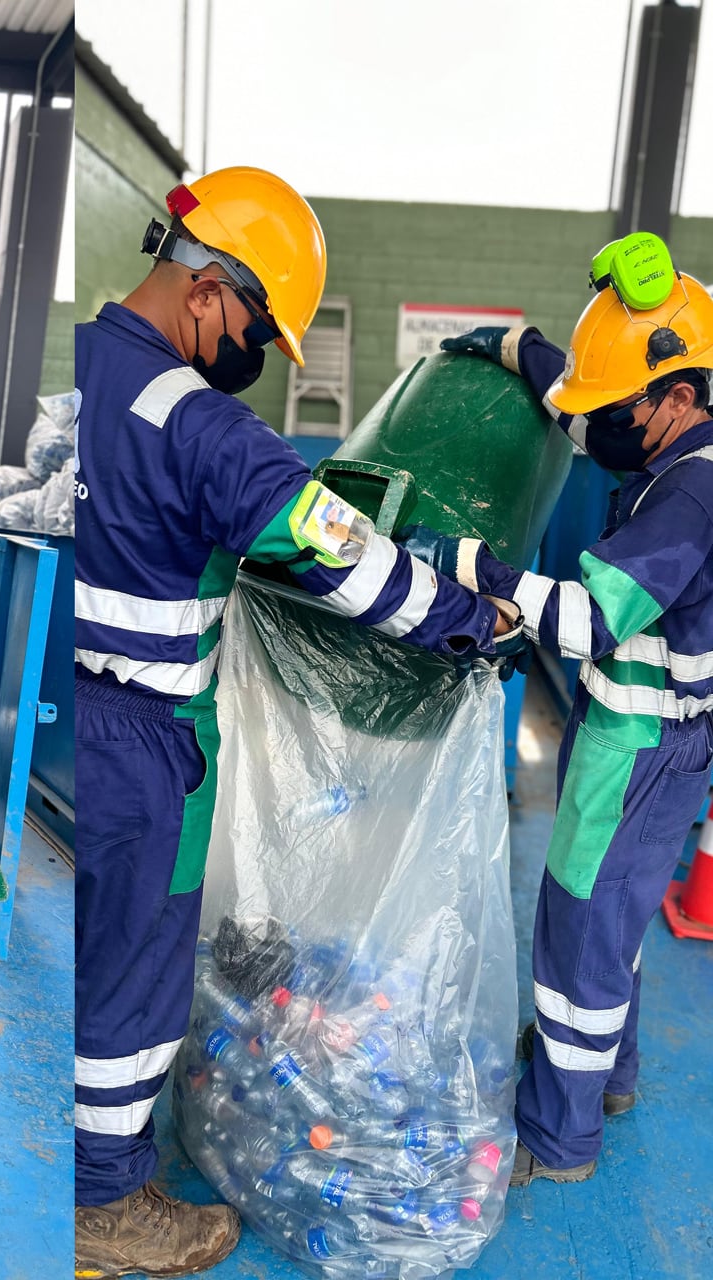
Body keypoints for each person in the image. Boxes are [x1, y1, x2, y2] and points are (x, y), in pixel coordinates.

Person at [72, 165, 525, 1277]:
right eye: (256, 327)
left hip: (77, 715)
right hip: (141, 739)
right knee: (135, 968)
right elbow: (353, 561)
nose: (250, 358)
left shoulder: (82, 374)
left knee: (98, 949)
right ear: (207, 289)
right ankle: (103, 1196)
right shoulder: (198, 423)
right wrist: (470, 620)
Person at [399, 234, 713, 1187]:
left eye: (621, 405)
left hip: (640, 744)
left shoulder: (692, 498)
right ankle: (608, 1075)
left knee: (579, 927)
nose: (599, 426)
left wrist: (467, 566)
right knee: (611, 921)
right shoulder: (670, 449)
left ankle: (556, 1136)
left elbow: (584, 620)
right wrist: (517, 347)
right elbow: (583, 419)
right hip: (647, 737)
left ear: (681, 396)